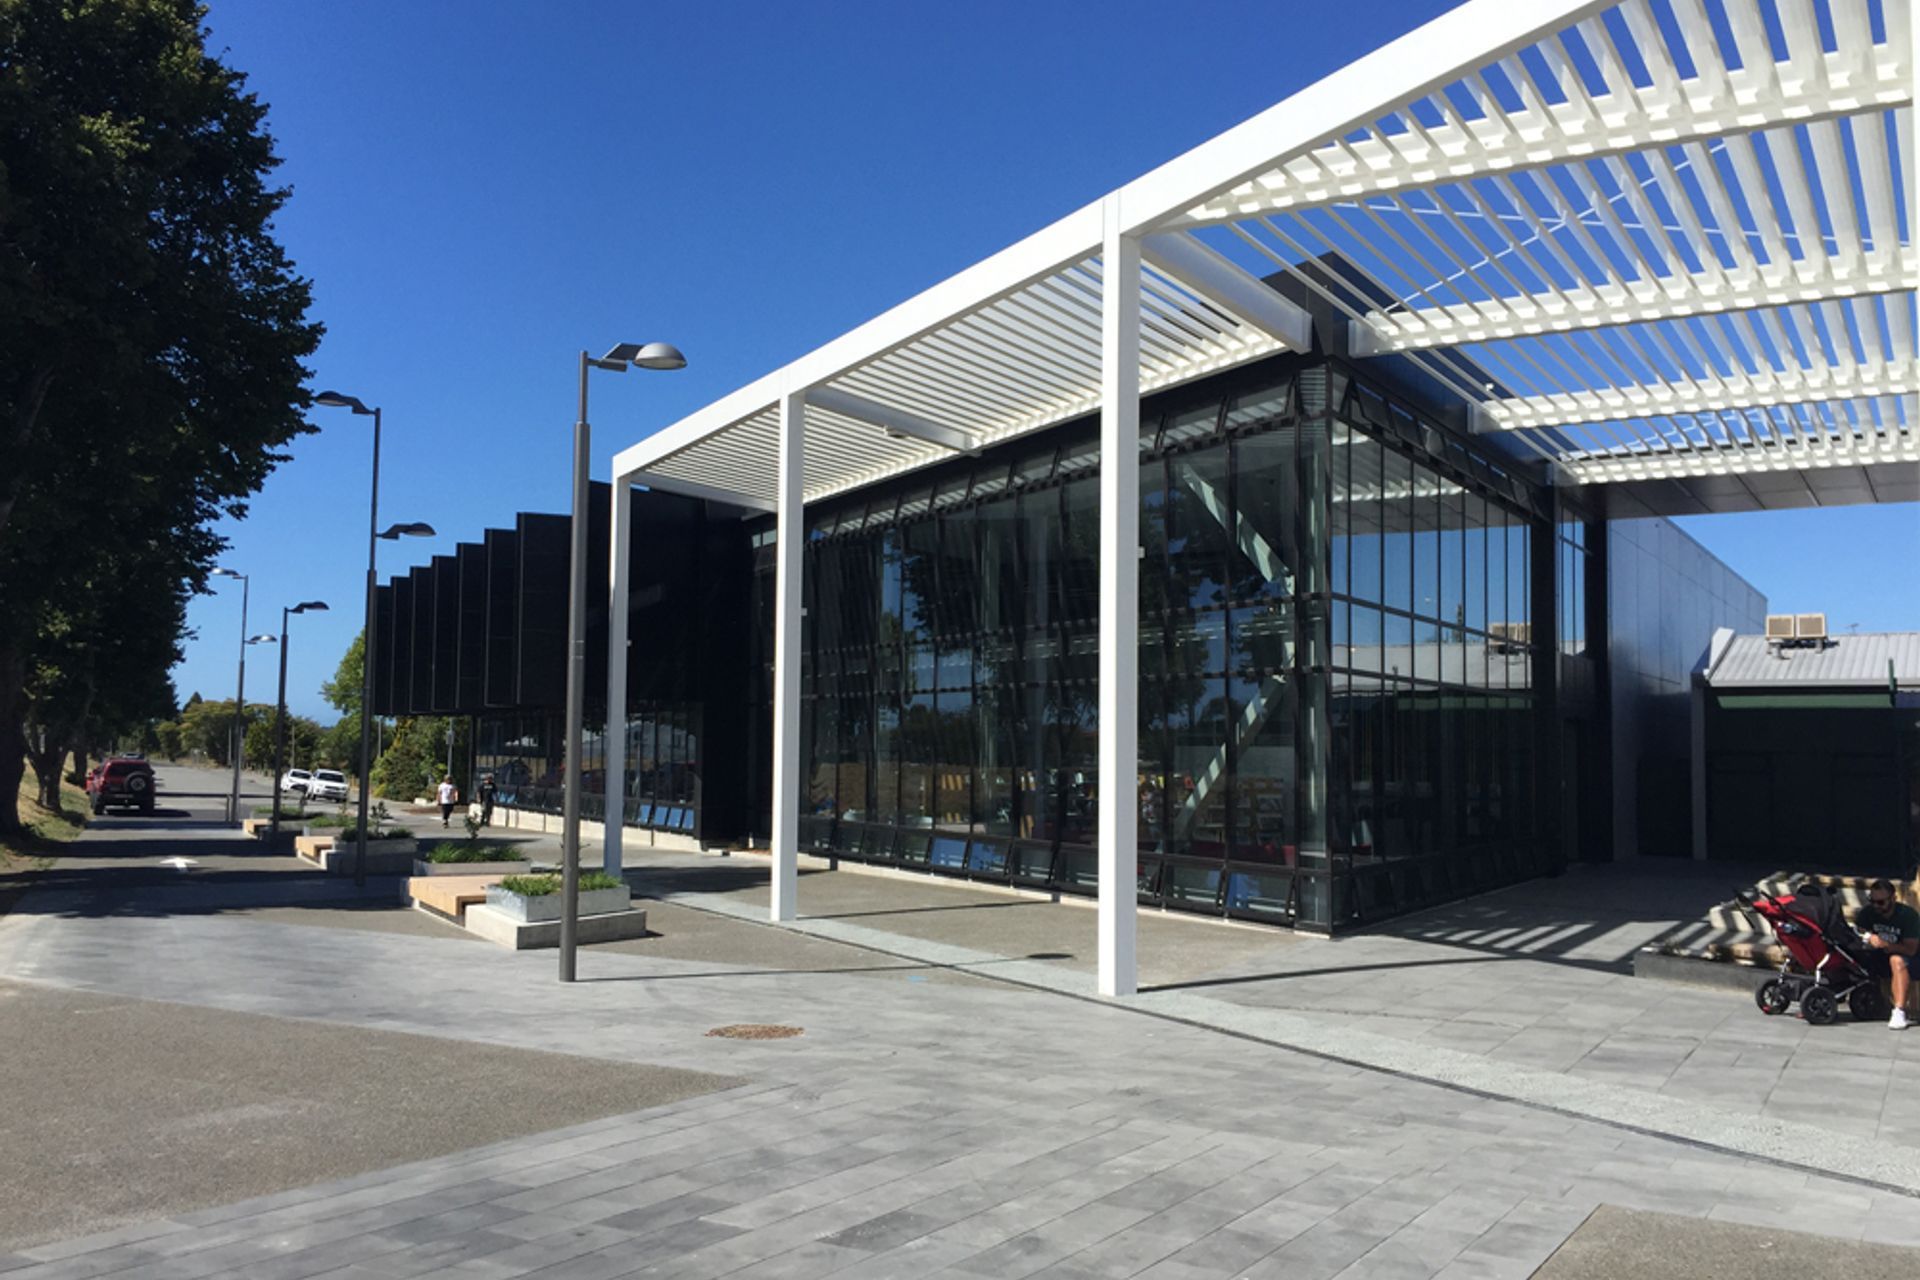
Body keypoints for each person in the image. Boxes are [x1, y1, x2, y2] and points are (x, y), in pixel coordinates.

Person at [1854, 877, 1919, 1030]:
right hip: (1880, 956)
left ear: (1893, 899)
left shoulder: (1908, 916)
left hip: (1911, 959)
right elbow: (1857, 931)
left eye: (1881, 902)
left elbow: (1911, 949)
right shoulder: (1868, 913)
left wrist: (1886, 944)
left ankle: (1899, 1011)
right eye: (1873, 901)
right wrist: (1867, 937)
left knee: (1897, 960)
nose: (1876, 906)